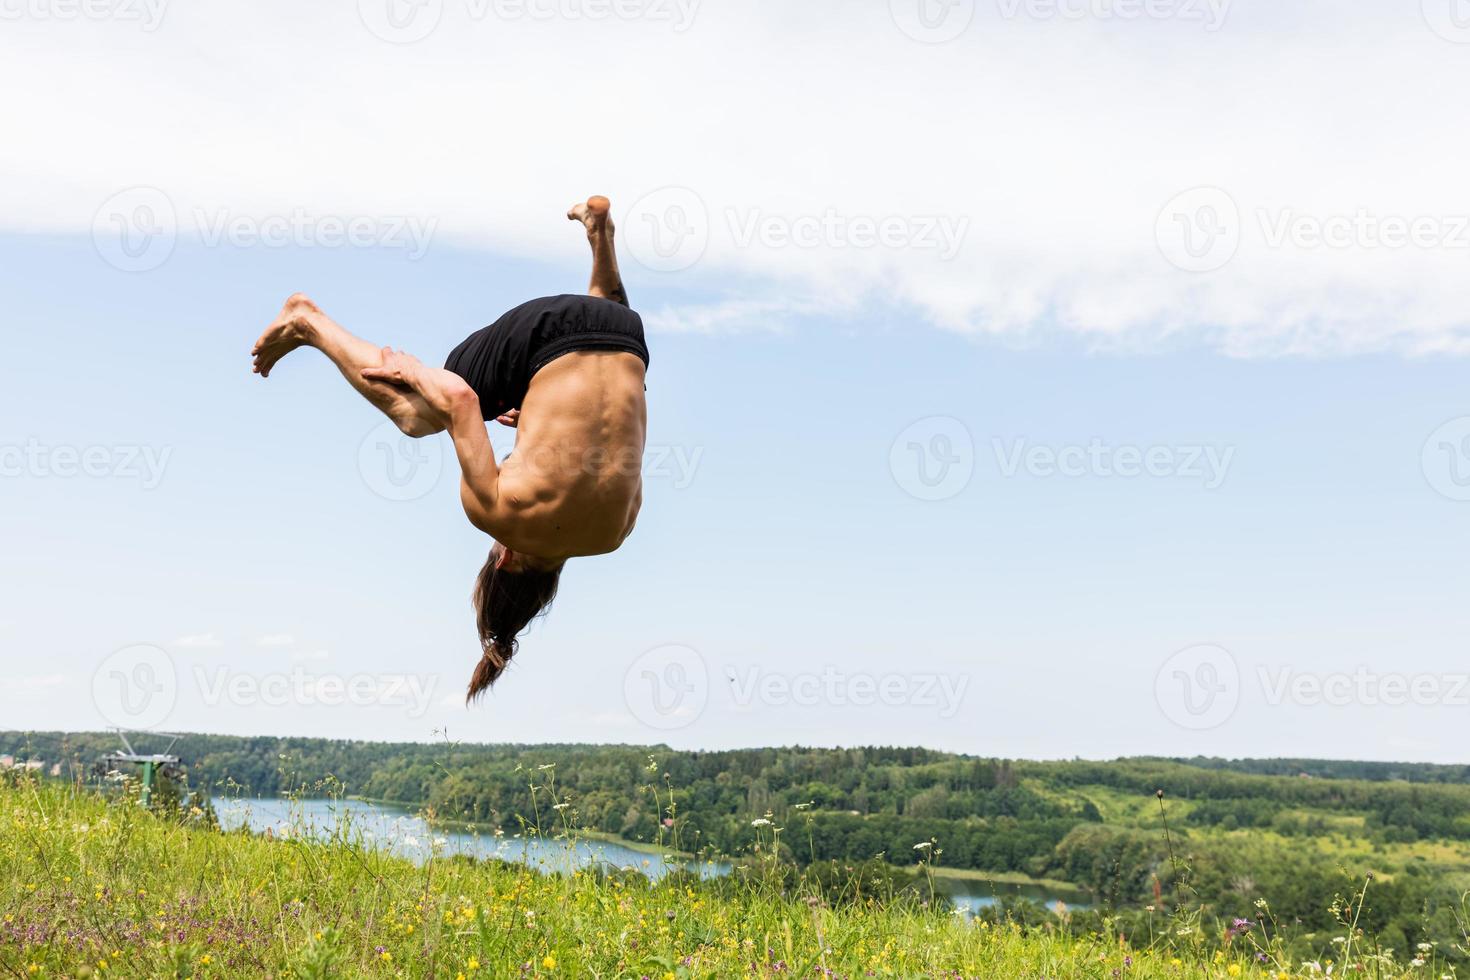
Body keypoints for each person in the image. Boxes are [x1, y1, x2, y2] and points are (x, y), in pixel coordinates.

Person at [250, 196, 648, 701]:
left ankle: (600, 236)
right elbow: (460, 399)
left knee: (610, 351)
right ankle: (307, 322)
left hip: (624, 331)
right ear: (503, 562)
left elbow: (615, 436)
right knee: (418, 416)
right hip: (546, 334)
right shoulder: (498, 516)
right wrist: (412, 371)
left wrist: (541, 415)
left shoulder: (615, 534)